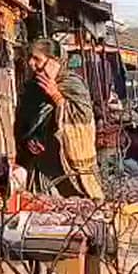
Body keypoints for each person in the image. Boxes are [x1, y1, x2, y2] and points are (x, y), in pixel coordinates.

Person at [15, 38, 104, 199]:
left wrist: (56, 96)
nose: (30, 63)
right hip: (41, 160)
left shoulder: (72, 84)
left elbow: (83, 119)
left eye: (37, 59)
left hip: (67, 161)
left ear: (55, 61)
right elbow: (25, 121)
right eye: (30, 58)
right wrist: (30, 138)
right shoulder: (33, 88)